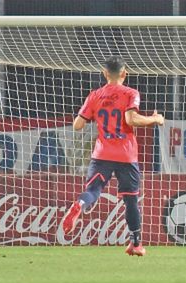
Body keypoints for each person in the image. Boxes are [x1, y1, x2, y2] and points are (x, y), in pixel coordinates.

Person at [62, 56, 164, 256]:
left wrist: (98, 117)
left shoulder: (95, 95)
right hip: (126, 156)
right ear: (125, 74)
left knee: (93, 190)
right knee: (131, 200)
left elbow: (77, 125)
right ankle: (135, 244)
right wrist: (155, 119)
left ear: (105, 73)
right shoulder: (130, 93)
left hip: (102, 155)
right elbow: (131, 119)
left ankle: (79, 205)